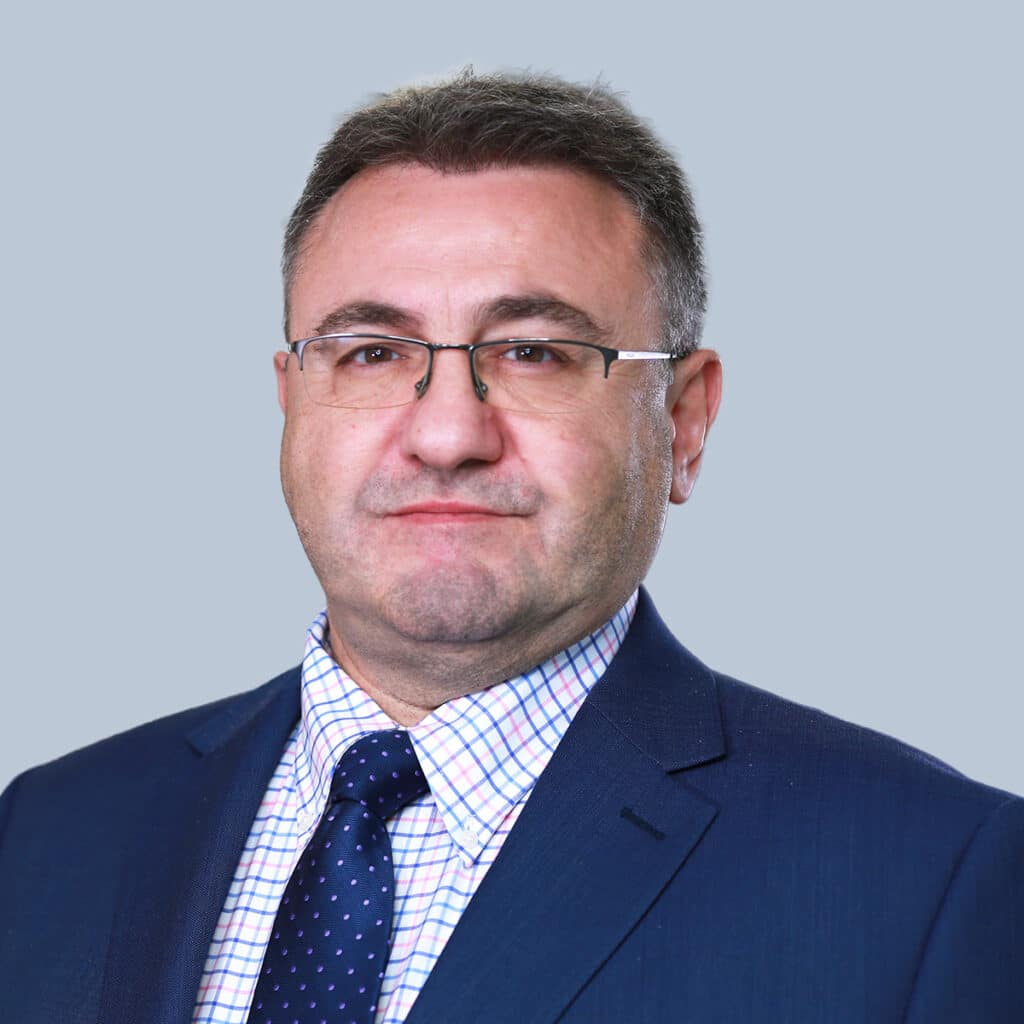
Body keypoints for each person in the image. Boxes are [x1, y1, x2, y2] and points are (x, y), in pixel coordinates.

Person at [0, 69, 1021, 1024]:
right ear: (292, 396)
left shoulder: (926, 880)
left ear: (686, 418)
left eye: (534, 352)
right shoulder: (46, 832)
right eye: (371, 352)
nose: (447, 434)